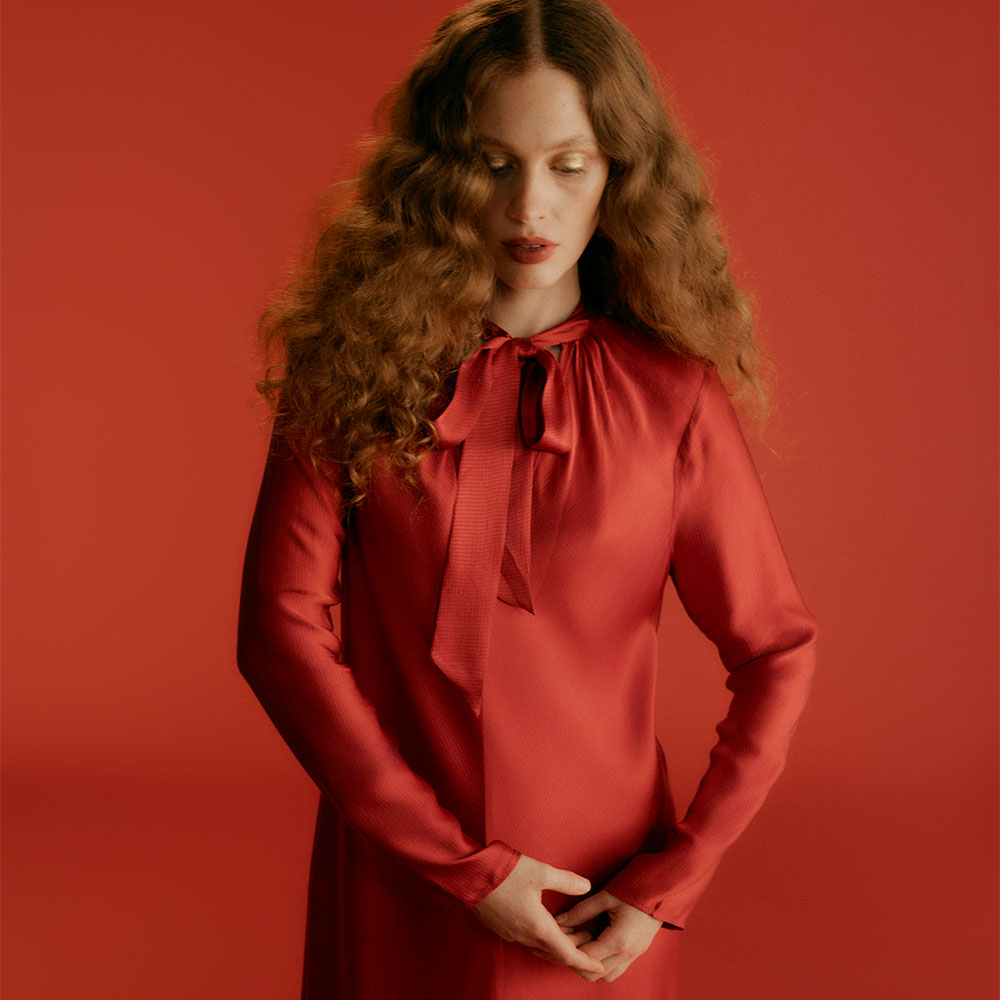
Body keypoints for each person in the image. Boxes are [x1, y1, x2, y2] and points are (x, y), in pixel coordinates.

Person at [236, 0, 818, 996]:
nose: (528, 207)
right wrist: (454, 865)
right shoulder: (348, 372)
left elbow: (774, 649)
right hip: (402, 877)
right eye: (492, 162)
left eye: (567, 164)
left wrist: (670, 879)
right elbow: (278, 631)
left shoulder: (674, 398)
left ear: (617, 178)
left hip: (602, 908)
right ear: (436, 174)